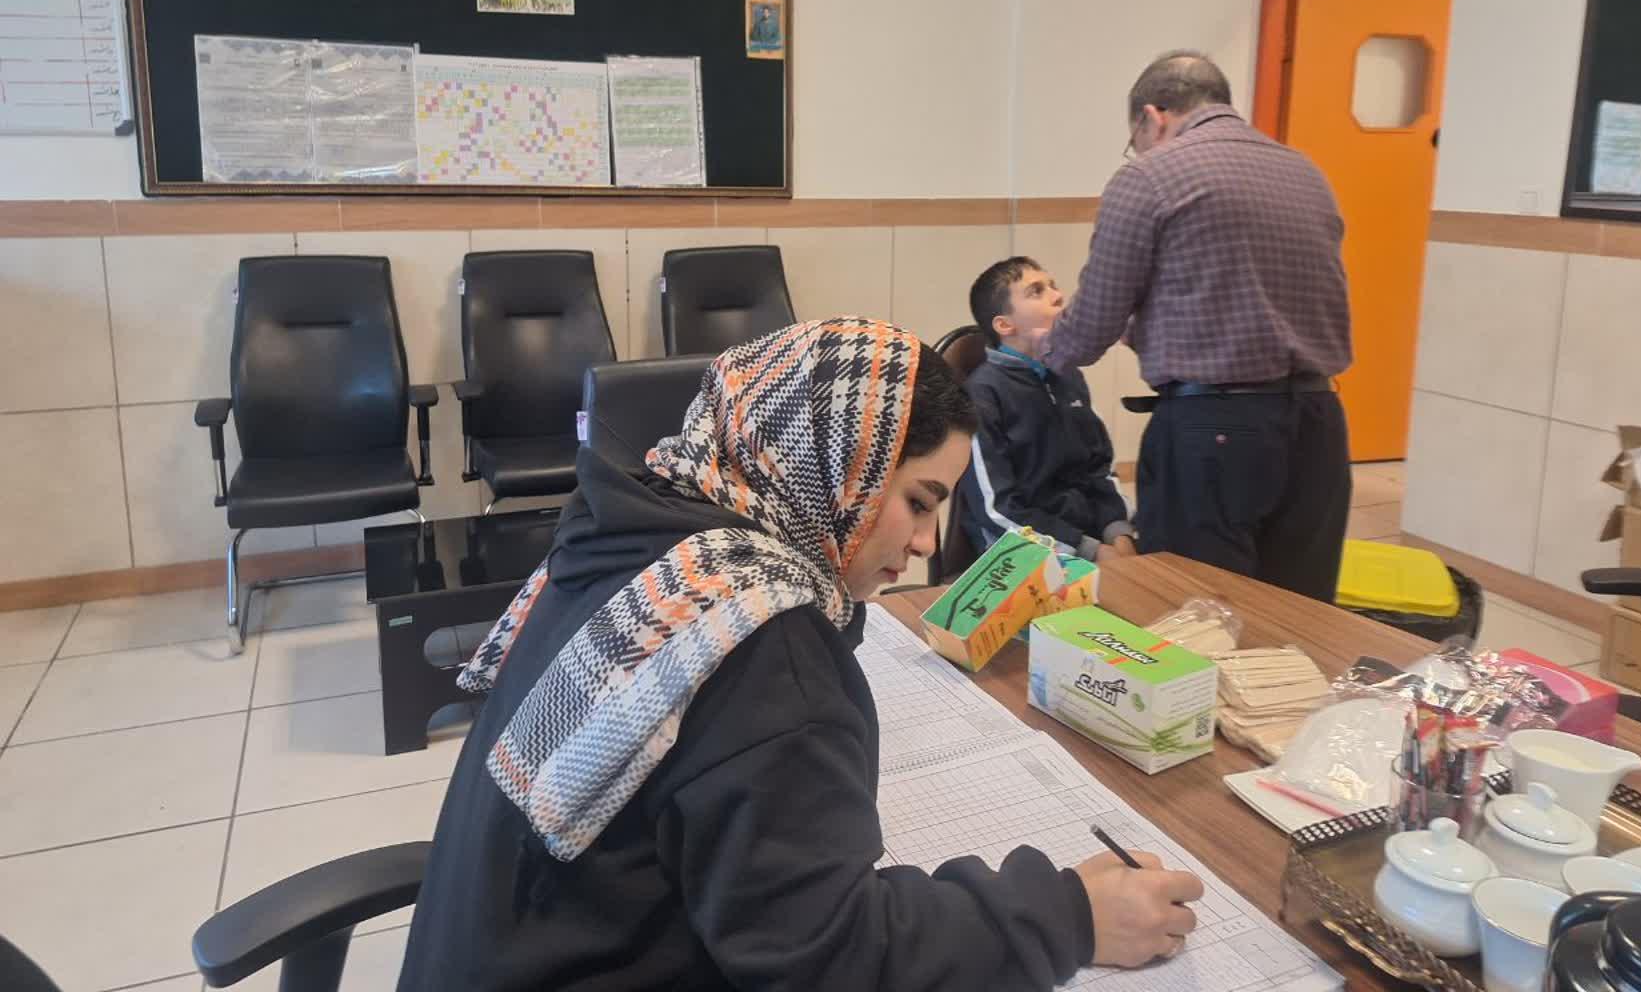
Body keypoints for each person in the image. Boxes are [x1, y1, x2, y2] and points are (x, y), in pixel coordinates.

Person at [400, 318, 1204, 990]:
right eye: (917, 501)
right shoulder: (756, 636)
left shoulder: (640, 533)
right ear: (840, 470)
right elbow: (832, 958)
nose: (926, 544)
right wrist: (1068, 917)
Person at [1043, 51, 1353, 603]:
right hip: (1319, 422)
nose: (1138, 150)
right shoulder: (1305, 172)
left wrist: (1035, 358)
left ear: (1152, 117)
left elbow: (1091, 324)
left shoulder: (1149, 175)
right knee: (1299, 614)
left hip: (1215, 430)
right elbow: (1247, 294)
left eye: (1135, 139)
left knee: (1196, 611)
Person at [956, 257, 1136, 567]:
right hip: (1025, 551)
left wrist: (1119, 533)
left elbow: (1099, 470)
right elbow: (996, 509)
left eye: (1053, 286)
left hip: (1093, 541)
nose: (1058, 296)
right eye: (1037, 291)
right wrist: (1089, 550)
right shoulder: (982, 393)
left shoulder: (1069, 377)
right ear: (1004, 325)